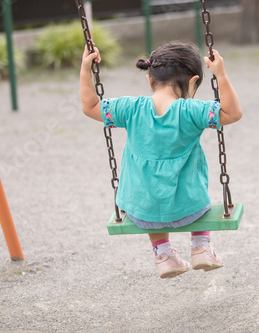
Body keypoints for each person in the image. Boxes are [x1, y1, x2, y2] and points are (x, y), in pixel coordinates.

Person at [80, 41, 242, 278]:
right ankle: (201, 247)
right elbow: (233, 113)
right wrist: (221, 74)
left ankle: (163, 254)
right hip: (189, 208)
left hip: (142, 212)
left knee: (146, 192)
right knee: (194, 188)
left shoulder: (130, 108)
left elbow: (90, 106)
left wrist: (85, 69)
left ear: (150, 79)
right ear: (193, 82)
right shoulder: (191, 111)